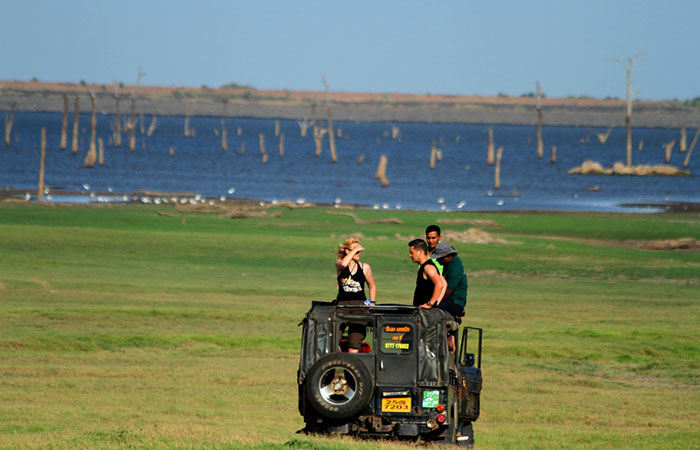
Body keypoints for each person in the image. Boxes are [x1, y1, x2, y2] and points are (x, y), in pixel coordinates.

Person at [335, 238, 377, 353]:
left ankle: (350, 368)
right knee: (333, 339)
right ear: (347, 252)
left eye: (359, 251)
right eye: (355, 250)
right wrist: (354, 250)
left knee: (354, 342)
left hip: (359, 306)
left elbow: (372, 286)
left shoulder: (365, 267)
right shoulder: (340, 264)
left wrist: (371, 301)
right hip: (342, 305)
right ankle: (339, 362)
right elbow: (343, 263)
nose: (358, 253)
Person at [431, 242, 468, 320]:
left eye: (439, 258)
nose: (437, 260)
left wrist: (433, 302)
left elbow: (447, 292)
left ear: (447, 257)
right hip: (450, 300)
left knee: (429, 311)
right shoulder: (451, 263)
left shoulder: (454, 270)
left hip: (454, 302)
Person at [408, 239, 446, 309]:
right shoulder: (426, 266)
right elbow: (444, 283)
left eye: (411, 253)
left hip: (426, 313)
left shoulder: (428, 267)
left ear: (420, 252)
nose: (410, 255)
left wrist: (430, 304)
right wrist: (437, 302)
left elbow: (440, 284)